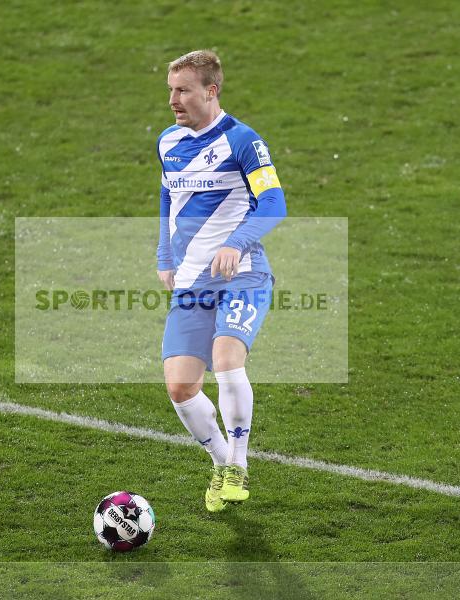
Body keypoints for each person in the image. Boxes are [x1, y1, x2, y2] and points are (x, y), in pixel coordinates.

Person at [156, 50, 286, 512]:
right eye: (171, 89)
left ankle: (239, 464)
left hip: (242, 276)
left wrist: (238, 242)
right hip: (191, 282)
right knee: (180, 387)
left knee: (227, 360)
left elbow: (273, 202)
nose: (174, 98)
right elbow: (167, 197)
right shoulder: (168, 143)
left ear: (211, 91)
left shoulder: (243, 140)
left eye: (183, 89)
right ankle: (219, 462)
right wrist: (164, 255)